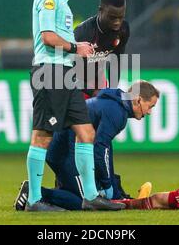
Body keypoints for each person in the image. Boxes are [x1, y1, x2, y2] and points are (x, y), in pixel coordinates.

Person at [27, 0, 124, 211]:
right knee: (43, 136)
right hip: (50, 73)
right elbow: (47, 37)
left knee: (86, 131)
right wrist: (75, 47)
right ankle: (34, 200)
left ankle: (90, 196)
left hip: (64, 74)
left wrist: (74, 49)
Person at [14, 81, 159, 210]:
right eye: (150, 106)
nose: (150, 112)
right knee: (85, 202)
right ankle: (33, 193)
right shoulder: (117, 113)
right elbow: (100, 149)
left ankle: (42, 194)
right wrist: (108, 185)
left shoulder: (115, 105)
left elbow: (105, 150)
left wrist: (111, 187)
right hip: (66, 152)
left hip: (66, 148)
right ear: (138, 100)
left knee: (85, 196)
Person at [74, 0, 130, 98]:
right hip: (74, 83)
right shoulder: (84, 33)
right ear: (100, 10)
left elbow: (116, 61)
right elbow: (64, 72)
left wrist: (112, 91)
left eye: (121, 17)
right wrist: (92, 92)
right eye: (112, 17)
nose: (117, 22)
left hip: (97, 78)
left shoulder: (123, 29)